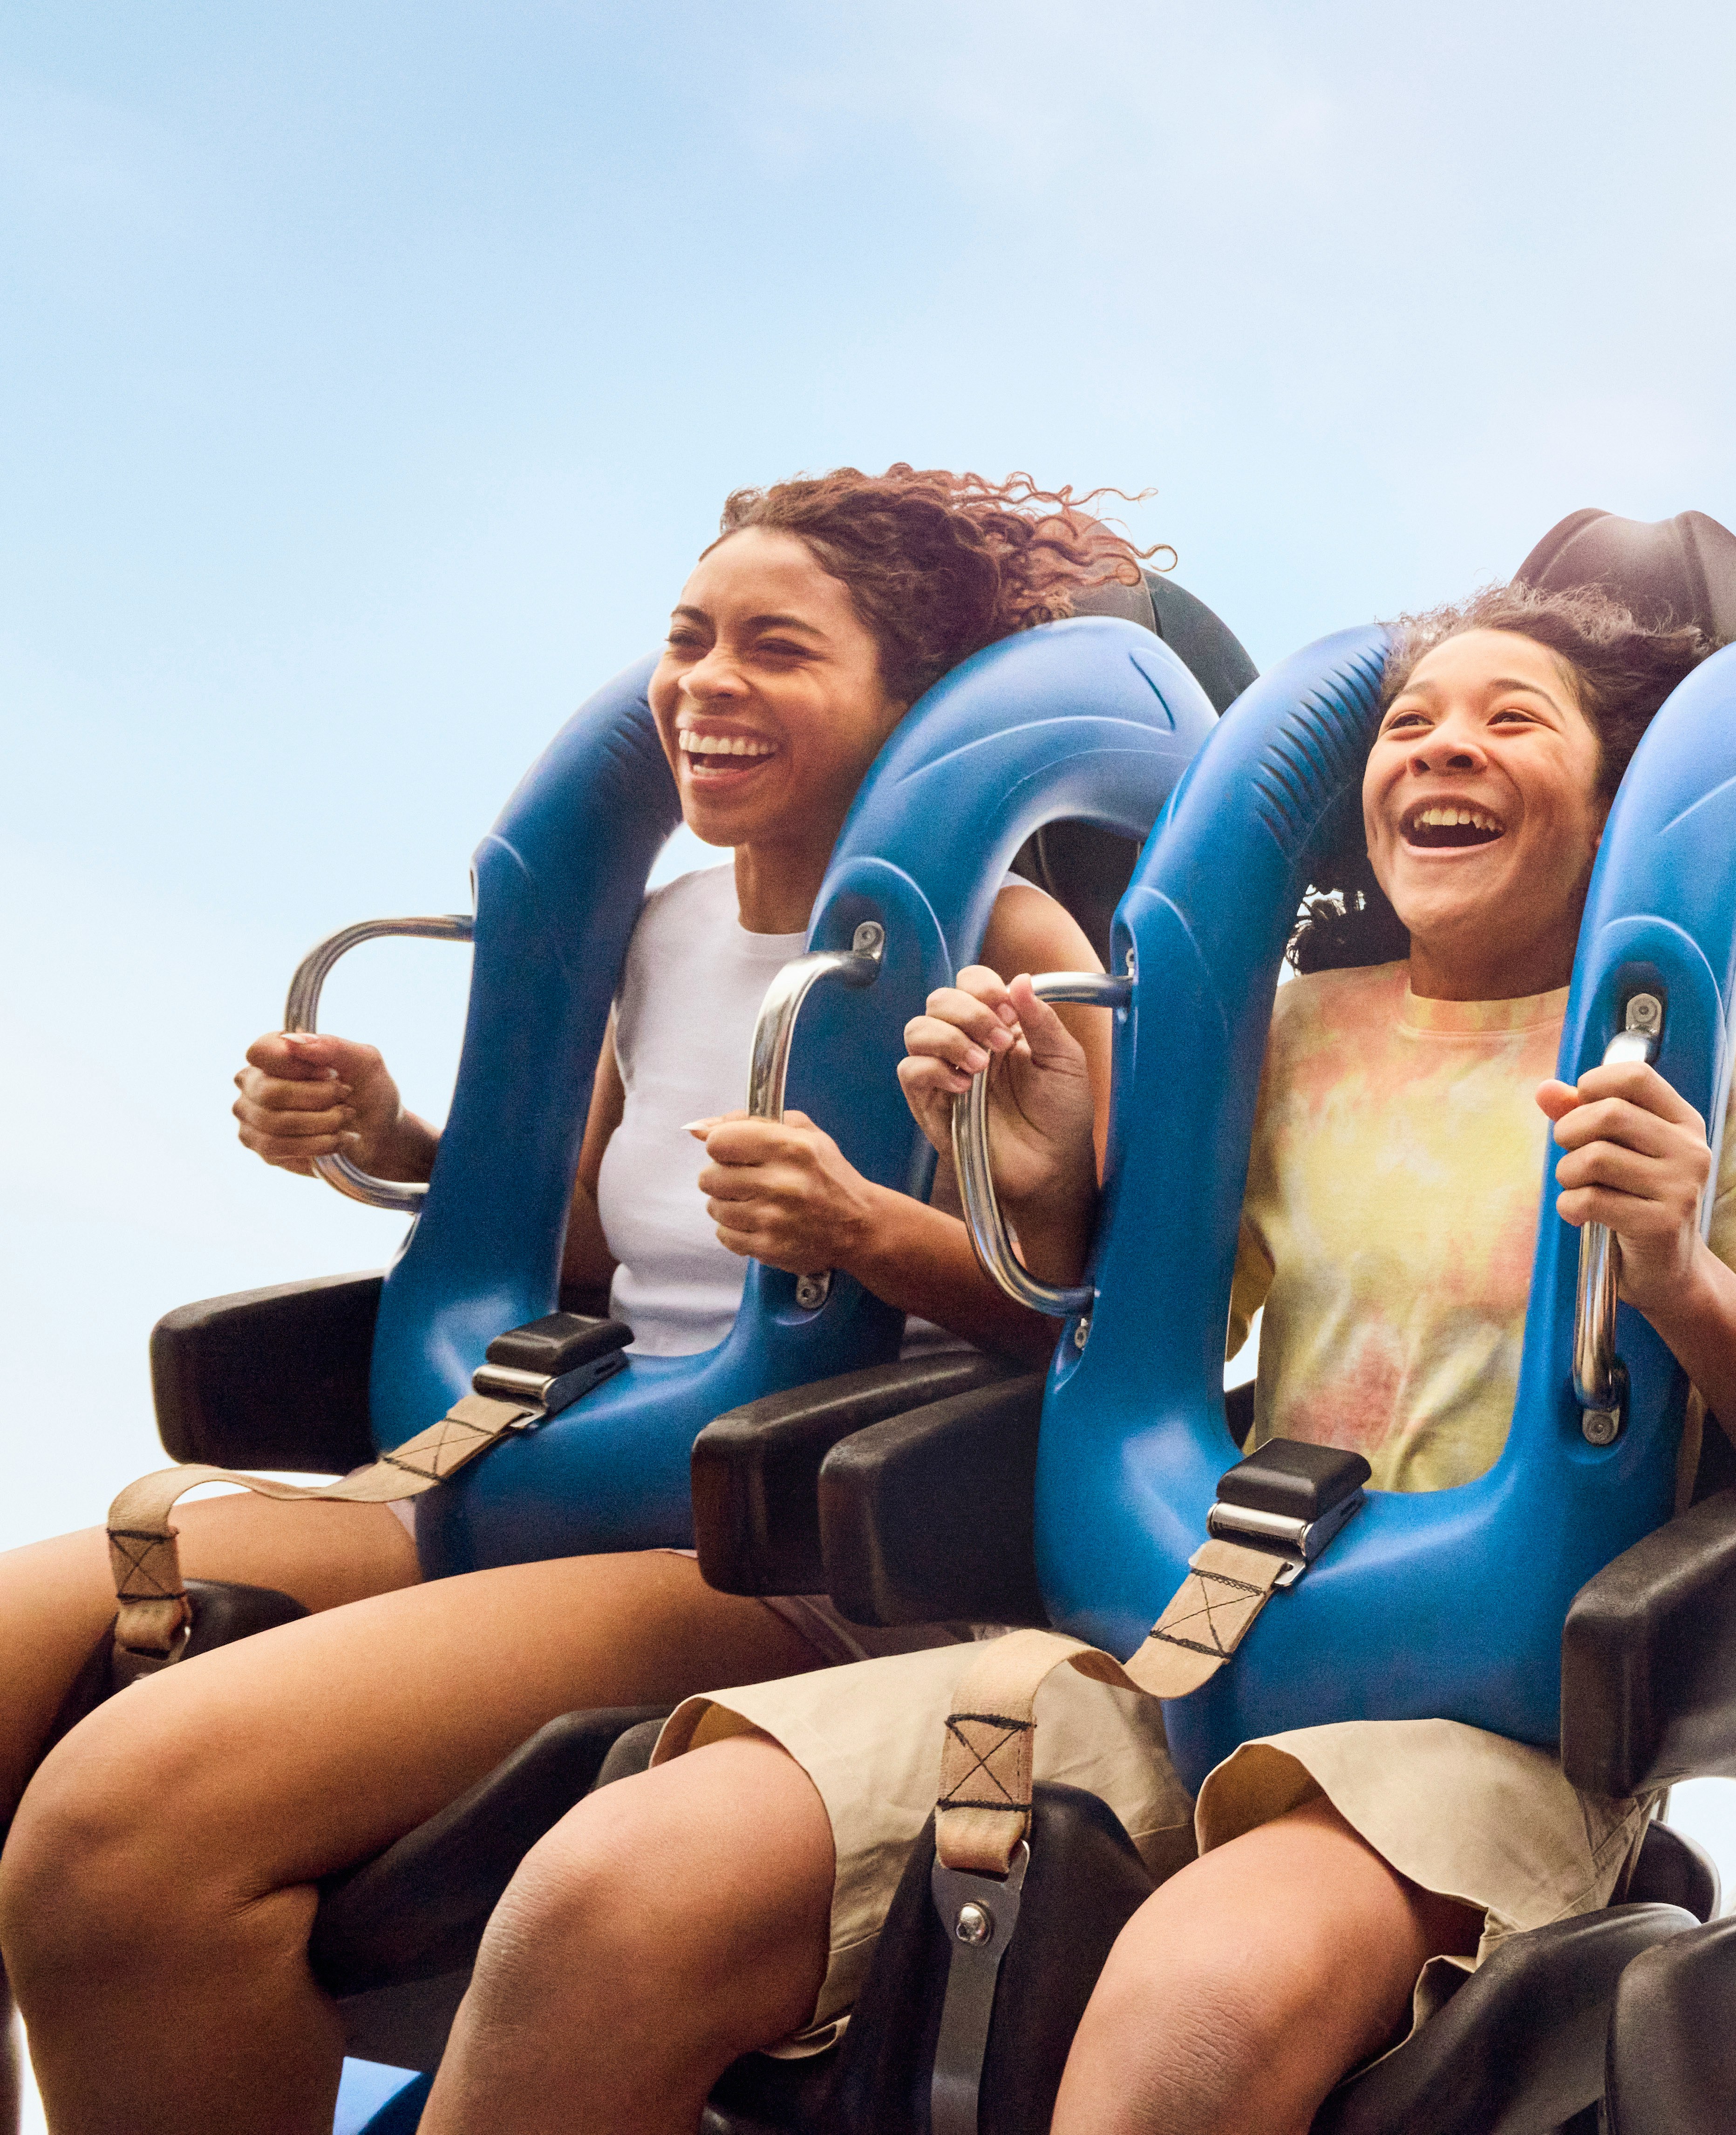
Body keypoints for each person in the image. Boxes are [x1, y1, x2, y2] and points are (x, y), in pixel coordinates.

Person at [417, 581, 1736, 2135]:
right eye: (1409, 725)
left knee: (1193, 2012)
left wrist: (1676, 1281)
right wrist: (1043, 1186)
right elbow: (1115, 1333)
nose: (1444, 751)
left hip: (1473, 1726)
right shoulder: (1295, 1032)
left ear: (1608, 811)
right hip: (1181, 1648)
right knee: (606, 1891)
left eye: (1510, 722)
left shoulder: (1703, 1087)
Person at [0, 465, 1148, 2135]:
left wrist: (868, 1230)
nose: (707, 683)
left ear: (915, 706)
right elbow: (592, 1251)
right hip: (541, 1477)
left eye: (777, 648)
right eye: (688, 641)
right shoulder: (665, 930)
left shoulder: (1013, 947)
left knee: (125, 1824)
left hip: (788, 1554)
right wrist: (378, 1141)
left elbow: (1091, 1348)